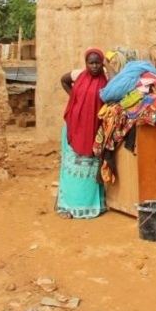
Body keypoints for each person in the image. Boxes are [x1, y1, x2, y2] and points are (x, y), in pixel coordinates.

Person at [57, 48, 108, 219]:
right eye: (91, 63)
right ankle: (67, 206)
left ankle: (91, 205)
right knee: (72, 169)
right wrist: (74, 98)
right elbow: (63, 80)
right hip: (74, 128)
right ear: (86, 63)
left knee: (90, 169)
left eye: (97, 63)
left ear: (102, 63)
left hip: (94, 130)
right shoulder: (78, 75)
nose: (94, 66)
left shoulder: (107, 79)